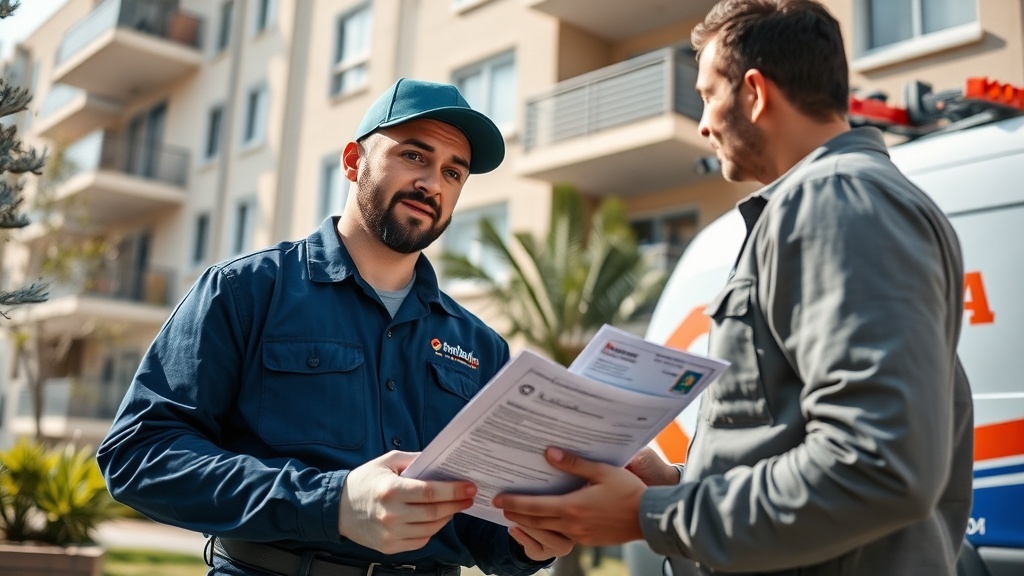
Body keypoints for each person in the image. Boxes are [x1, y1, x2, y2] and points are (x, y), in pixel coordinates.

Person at [492, 1, 974, 574]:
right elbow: (792, 440)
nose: (702, 124)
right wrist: (677, 482)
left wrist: (654, 513)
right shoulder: (833, 204)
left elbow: (876, 465)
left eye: (706, 94)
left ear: (754, 92)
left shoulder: (838, 205)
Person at [97, 78, 570, 576]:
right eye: (414, 156)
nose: (433, 183)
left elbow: (479, 527)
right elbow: (139, 454)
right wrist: (334, 504)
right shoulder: (245, 290)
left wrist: (525, 542)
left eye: (454, 172)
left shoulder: (480, 347)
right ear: (352, 162)